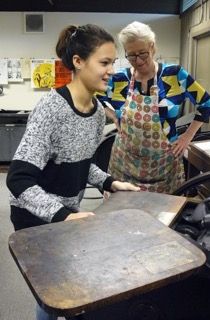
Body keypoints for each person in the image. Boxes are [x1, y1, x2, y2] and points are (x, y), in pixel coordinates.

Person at [6, 24, 140, 320]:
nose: (111, 71)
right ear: (78, 62)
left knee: (71, 283)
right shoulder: (51, 109)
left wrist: (111, 182)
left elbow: (80, 163)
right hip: (34, 217)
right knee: (54, 294)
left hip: (67, 215)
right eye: (103, 63)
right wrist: (63, 215)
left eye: (113, 63)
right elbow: (18, 179)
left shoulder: (96, 112)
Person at [97, 21, 210, 194]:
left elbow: (206, 103)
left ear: (153, 47)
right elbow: (95, 100)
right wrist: (113, 116)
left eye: (143, 53)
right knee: (122, 215)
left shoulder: (174, 75)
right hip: (125, 165)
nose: (138, 61)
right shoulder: (118, 80)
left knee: (163, 215)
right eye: (132, 56)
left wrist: (187, 137)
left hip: (164, 166)